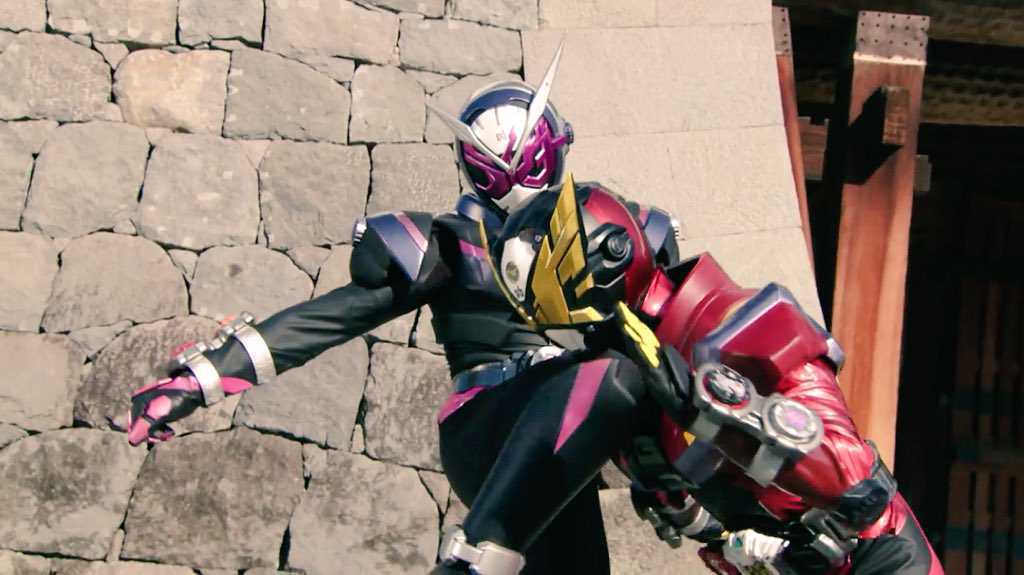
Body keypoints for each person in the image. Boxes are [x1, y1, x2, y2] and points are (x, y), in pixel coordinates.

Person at [123, 46, 685, 574]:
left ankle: (701, 505)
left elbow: (680, 339)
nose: (513, 174)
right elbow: (330, 318)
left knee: (638, 378)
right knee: (616, 374)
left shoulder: (609, 235)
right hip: (489, 423)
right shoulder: (451, 244)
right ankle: (469, 559)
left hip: (571, 437)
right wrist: (197, 381)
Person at [470, 178, 944, 574]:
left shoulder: (746, 325)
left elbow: (855, 482)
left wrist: (717, 411)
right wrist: (734, 543)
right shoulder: (635, 397)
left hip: (880, 558)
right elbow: (706, 522)